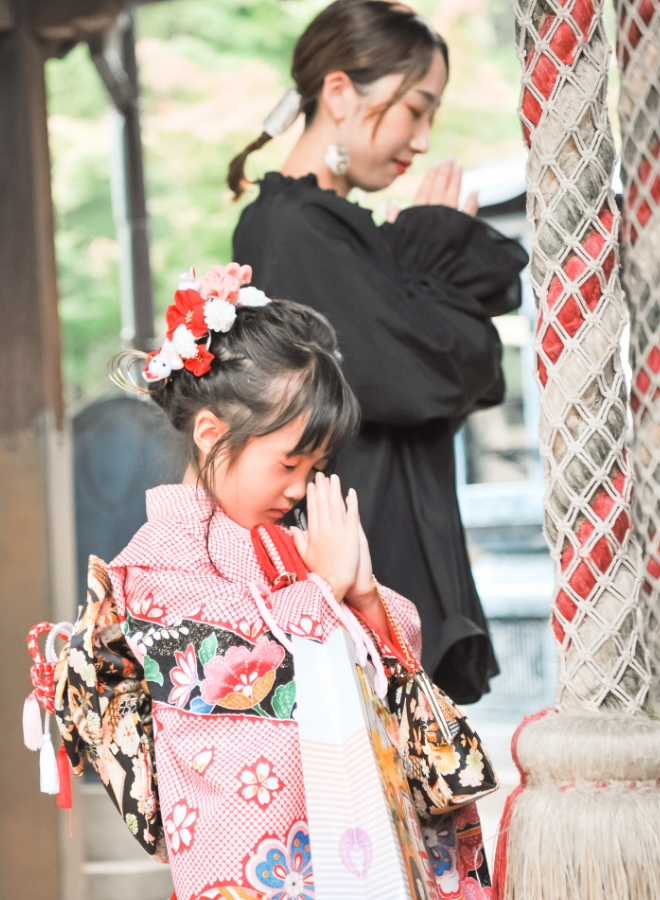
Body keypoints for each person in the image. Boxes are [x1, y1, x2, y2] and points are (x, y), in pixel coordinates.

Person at [92, 264, 492, 899]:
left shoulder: (286, 542)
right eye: (289, 462)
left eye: (316, 465)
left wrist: (361, 594)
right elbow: (229, 667)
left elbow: (395, 646)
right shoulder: (155, 555)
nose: (301, 486)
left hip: (343, 817)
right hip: (249, 843)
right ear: (210, 434)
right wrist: (325, 590)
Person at [230, 0, 529, 704]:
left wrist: (425, 258)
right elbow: (426, 375)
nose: (422, 140)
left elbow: (458, 367)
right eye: (413, 109)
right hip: (356, 552)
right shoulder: (294, 227)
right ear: (339, 93)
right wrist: (433, 248)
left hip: (380, 534)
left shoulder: (342, 229)